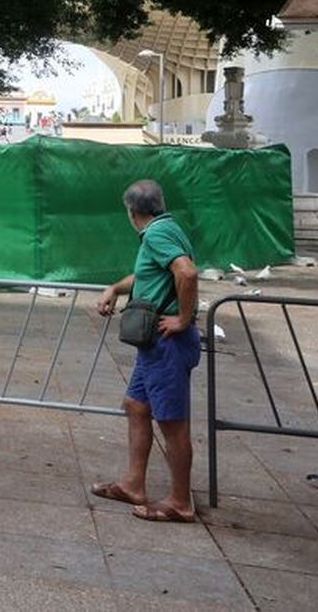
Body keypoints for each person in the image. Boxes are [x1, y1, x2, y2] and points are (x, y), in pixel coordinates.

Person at [92, 179, 201, 523]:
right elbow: (146, 275)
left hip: (167, 342)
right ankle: (133, 484)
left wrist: (183, 319)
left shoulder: (156, 234)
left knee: (172, 423)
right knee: (137, 406)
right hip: (153, 344)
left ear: (131, 210)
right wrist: (115, 288)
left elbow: (187, 273)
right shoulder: (164, 229)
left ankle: (180, 502)